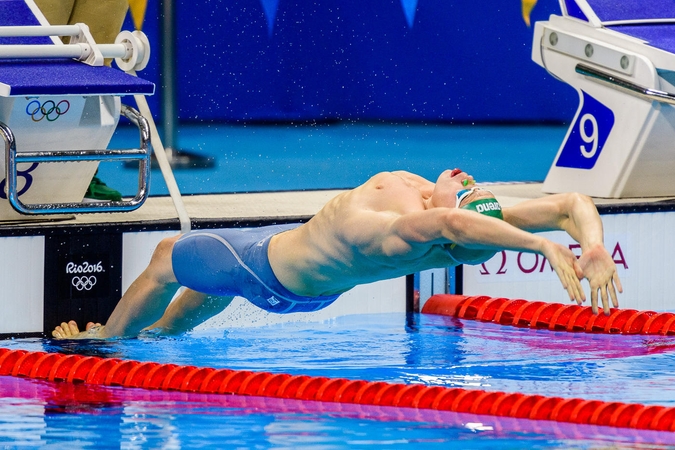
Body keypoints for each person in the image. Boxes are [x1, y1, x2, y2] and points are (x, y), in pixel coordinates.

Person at [52, 169, 622, 339]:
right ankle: (160, 338)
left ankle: (105, 344)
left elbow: (453, 218)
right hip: (300, 279)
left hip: (267, 267)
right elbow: (572, 200)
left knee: (166, 256)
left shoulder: (403, 228)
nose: (470, 180)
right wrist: (589, 244)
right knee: (210, 284)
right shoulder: (439, 209)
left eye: (471, 194)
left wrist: (544, 247)